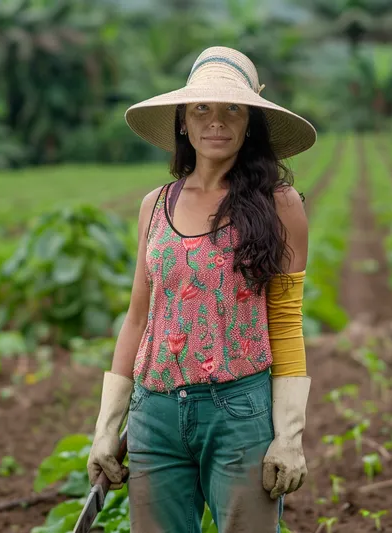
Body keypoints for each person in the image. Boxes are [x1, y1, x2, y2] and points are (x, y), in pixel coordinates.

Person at [86, 46, 317, 533]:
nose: (217, 121)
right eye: (202, 108)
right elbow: (137, 318)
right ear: (183, 123)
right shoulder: (156, 205)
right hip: (156, 414)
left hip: (239, 410)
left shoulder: (280, 205)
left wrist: (290, 436)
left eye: (232, 108)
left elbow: (286, 321)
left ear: (250, 121)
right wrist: (108, 427)